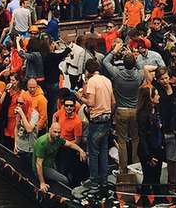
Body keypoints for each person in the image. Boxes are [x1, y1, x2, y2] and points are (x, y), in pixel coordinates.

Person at [103, 40, 143, 172]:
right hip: (135, 110)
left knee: (122, 141)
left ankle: (123, 168)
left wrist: (114, 51)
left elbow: (105, 62)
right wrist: (132, 54)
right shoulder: (138, 76)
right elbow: (141, 66)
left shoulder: (117, 74)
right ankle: (136, 165)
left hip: (121, 110)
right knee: (135, 139)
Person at [79, 58, 113, 187]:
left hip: (96, 119)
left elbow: (91, 103)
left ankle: (93, 180)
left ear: (88, 71)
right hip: (107, 118)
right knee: (104, 151)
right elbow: (113, 102)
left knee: (93, 152)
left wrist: (80, 97)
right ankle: (104, 180)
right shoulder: (107, 80)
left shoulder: (92, 81)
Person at [32, 122, 86, 193]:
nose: (57, 134)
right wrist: (42, 183)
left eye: (59, 132)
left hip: (51, 164)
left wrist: (80, 150)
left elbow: (70, 144)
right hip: (43, 167)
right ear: (50, 130)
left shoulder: (58, 139)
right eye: (55, 132)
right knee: (65, 180)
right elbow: (38, 164)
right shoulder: (43, 143)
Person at [135, 86, 163, 198]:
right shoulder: (142, 115)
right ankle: (144, 201)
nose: (159, 96)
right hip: (147, 151)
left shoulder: (156, 109)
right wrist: (148, 156)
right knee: (148, 178)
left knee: (157, 178)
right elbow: (142, 137)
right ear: (150, 98)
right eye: (156, 94)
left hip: (158, 148)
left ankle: (158, 199)